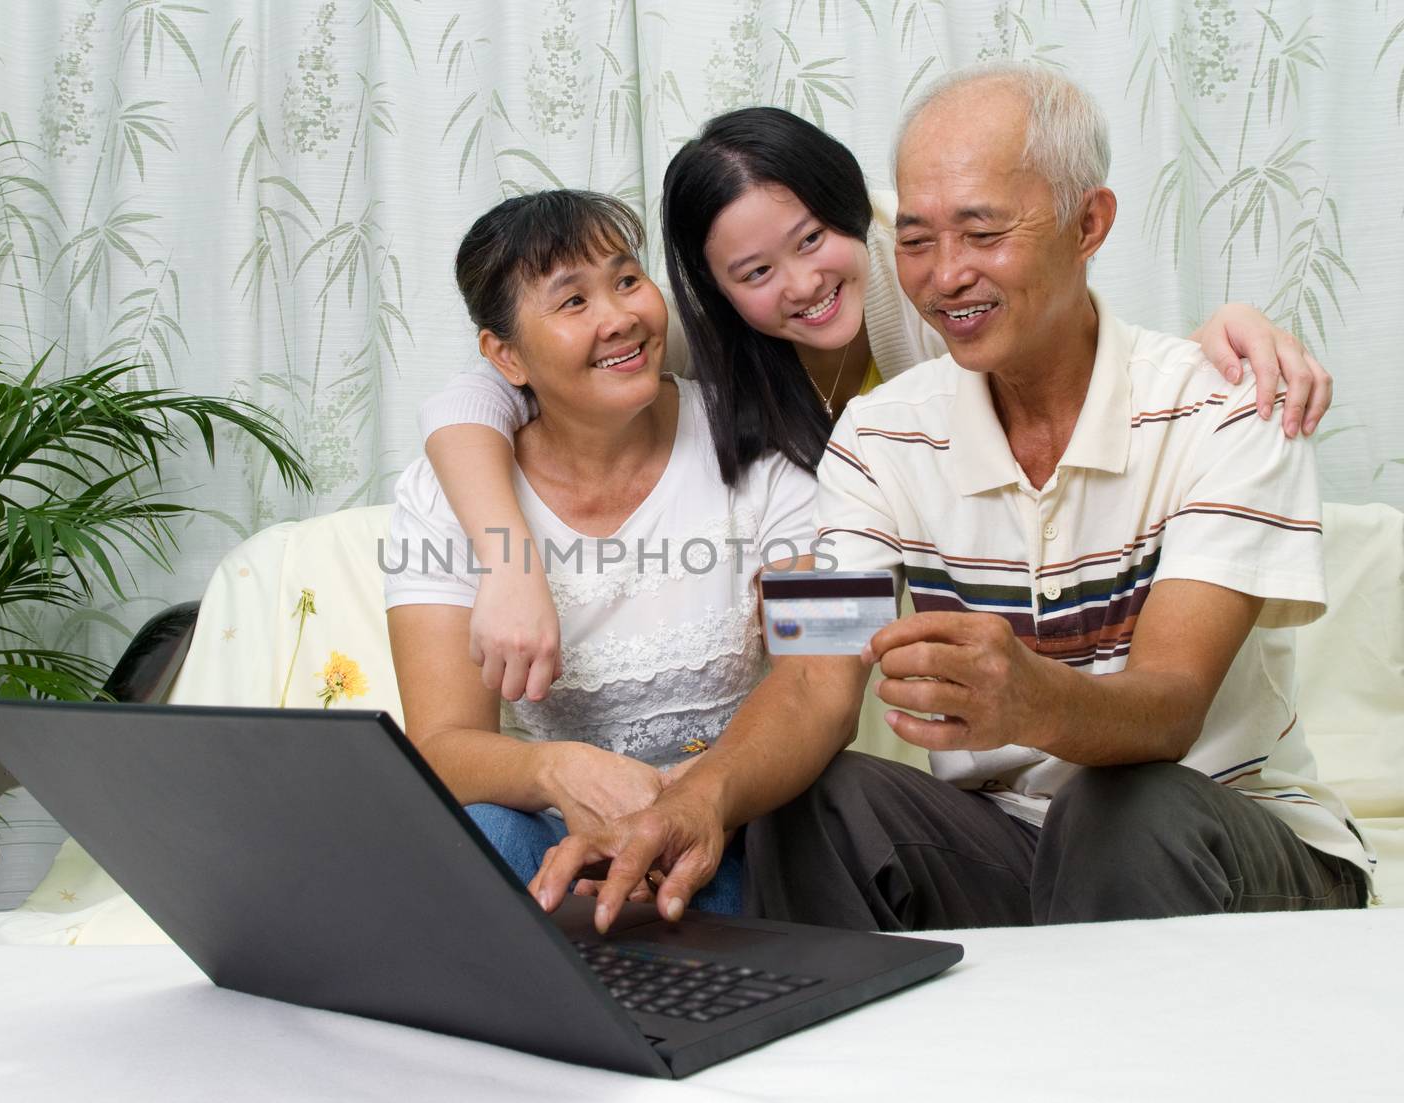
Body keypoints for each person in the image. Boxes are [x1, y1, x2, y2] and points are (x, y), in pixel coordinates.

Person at [530, 63, 1374, 934]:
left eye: (982, 231)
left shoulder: (1228, 407)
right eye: (920, 240)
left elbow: (1171, 702)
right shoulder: (875, 436)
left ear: (1090, 223)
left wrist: (1032, 698)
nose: (945, 277)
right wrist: (696, 801)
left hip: (1229, 841)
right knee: (821, 797)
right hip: (1017, 846)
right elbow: (816, 675)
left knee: (1123, 808)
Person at [417, 107, 1333, 705]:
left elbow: (1079, 339)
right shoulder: (685, 340)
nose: (804, 284)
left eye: (815, 238)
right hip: (870, 650)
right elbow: (478, 393)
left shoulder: (934, 275)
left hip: (1044, 627)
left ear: (858, 213)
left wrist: (1226, 323)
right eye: (755, 273)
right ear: (713, 290)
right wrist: (509, 562)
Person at [383, 190, 818, 912]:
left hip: (731, 829)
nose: (619, 317)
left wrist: (695, 802)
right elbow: (440, 743)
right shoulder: (450, 493)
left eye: (625, 280)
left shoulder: (757, 442)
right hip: (555, 844)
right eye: (572, 301)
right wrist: (558, 773)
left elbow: (815, 678)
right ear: (505, 355)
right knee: (475, 837)